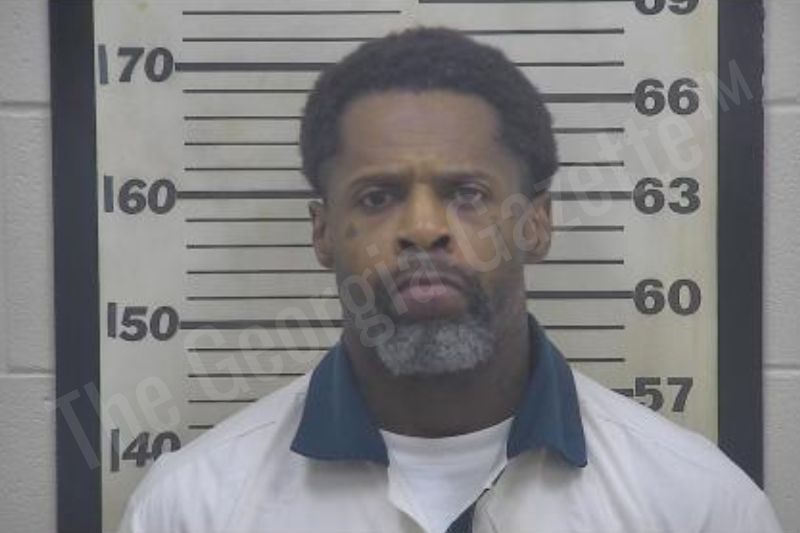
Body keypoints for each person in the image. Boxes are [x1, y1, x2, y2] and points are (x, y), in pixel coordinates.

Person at [117, 27, 783, 533]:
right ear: (322, 232)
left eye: (467, 193)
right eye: (378, 197)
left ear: (537, 223)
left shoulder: (696, 505)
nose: (424, 229)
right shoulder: (191, 509)